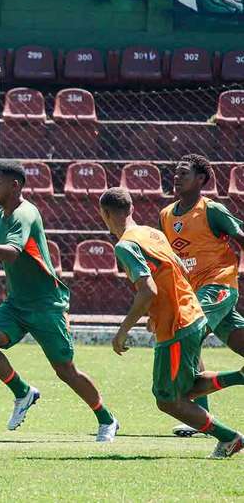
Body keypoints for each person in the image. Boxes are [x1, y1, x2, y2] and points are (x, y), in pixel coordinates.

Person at [0, 160, 119, 442]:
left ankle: (107, 419)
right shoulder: (1, 215)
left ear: (14, 185)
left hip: (45, 305)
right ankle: (22, 391)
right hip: (17, 303)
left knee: (66, 370)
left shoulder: (24, 214)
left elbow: (12, 253)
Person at [100, 187, 243, 458]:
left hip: (177, 325)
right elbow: (178, 268)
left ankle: (229, 438)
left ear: (105, 215)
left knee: (167, 399)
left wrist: (123, 331)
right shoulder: (152, 233)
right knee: (185, 388)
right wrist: (159, 313)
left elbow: (148, 289)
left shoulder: (125, 246)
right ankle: (240, 376)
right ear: (131, 209)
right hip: (188, 315)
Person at [159, 154, 244, 436]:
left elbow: (240, 237)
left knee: (189, 332)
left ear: (201, 180)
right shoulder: (167, 215)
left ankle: (195, 414)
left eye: (184, 173)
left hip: (219, 286)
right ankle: (199, 415)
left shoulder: (212, 210)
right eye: (175, 172)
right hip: (193, 293)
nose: (176, 177)